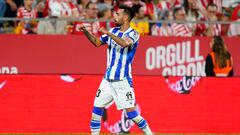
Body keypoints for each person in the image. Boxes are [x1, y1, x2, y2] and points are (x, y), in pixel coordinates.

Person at [78, 5, 153, 135]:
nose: (115, 16)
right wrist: (85, 31)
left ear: (125, 17)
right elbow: (97, 43)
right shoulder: (114, 30)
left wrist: (108, 33)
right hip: (107, 80)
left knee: (133, 115)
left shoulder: (134, 33)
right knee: (96, 111)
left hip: (123, 80)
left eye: (118, 14)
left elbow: (124, 43)